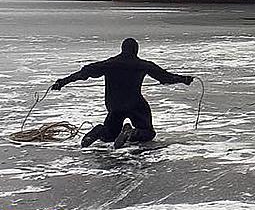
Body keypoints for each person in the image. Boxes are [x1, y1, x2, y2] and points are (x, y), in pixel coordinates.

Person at [52, 38, 194, 149]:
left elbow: (85, 73)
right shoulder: (142, 65)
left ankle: (100, 130)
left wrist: (62, 82)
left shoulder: (110, 64)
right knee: (148, 133)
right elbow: (165, 77)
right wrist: (184, 79)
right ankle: (132, 133)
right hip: (135, 105)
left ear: (122, 49)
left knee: (109, 135)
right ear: (136, 51)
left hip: (115, 105)